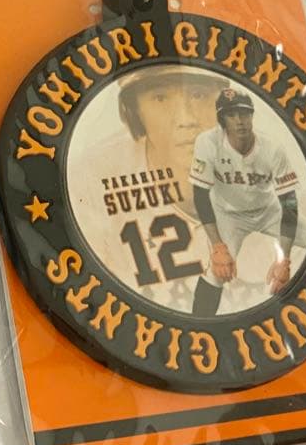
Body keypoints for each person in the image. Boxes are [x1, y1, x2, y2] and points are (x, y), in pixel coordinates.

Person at [69, 67, 225, 312]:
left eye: (198, 94)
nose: (185, 119)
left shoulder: (266, 163)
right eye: (160, 98)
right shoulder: (88, 180)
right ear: (133, 111)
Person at [189, 88, 299, 315]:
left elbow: (289, 203)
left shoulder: (272, 148)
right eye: (231, 115)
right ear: (222, 120)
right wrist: (218, 247)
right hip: (229, 216)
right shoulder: (208, 142)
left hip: (268, 211)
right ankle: (196, 327)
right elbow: (200, 194)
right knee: (216, 273)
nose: (240, 121)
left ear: (252, 115)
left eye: (245, 113)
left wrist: (285, 260)